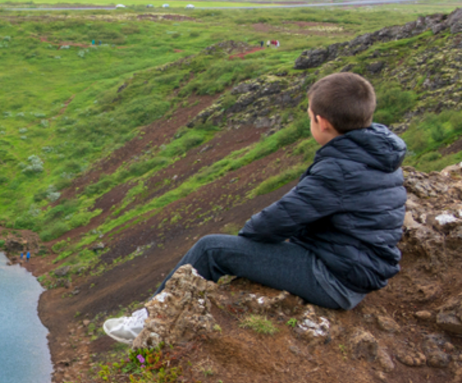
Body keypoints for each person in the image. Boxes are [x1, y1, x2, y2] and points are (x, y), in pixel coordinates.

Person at [104, 72, 407, 343]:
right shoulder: (376, 155)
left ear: (322, 122)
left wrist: (246, 244)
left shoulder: (339, 169)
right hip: (353, 269)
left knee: (211, 249)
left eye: (309, 116)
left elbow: (277, 221)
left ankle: (148, 321)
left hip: (335, 279)